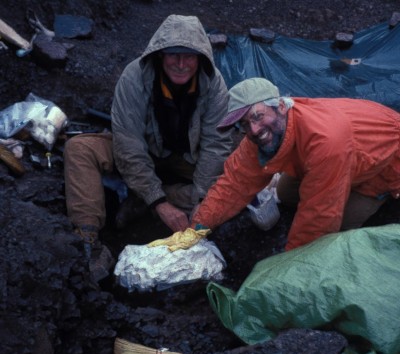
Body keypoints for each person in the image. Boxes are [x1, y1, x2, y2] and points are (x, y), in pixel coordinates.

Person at [63, 14, 233, 282]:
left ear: (200, 58)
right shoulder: (135, 77)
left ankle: (139, 202)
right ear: (160, 54)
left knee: (234, 179)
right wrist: (159, 203)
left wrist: (202, 203)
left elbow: (215, 146)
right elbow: (128, 146)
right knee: (79, 149)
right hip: (145, 152)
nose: (180, 64)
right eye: (173, 55)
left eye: (189, 56)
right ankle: (89, 241)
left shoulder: (214, 84)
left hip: (187, 161)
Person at [190, 77, 400, 251]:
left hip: (383, 165)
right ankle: (334, 183)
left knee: (337, 224)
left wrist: (288, 266)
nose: (253, 130)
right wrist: (196, 227)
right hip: (335, 159)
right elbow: (234, 184)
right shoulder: (261, 134)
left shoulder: (325, 141)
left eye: (258, 116)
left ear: (281, 106)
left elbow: (318, 220)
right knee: (285, 194)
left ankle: (380, 199)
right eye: (245, 124)